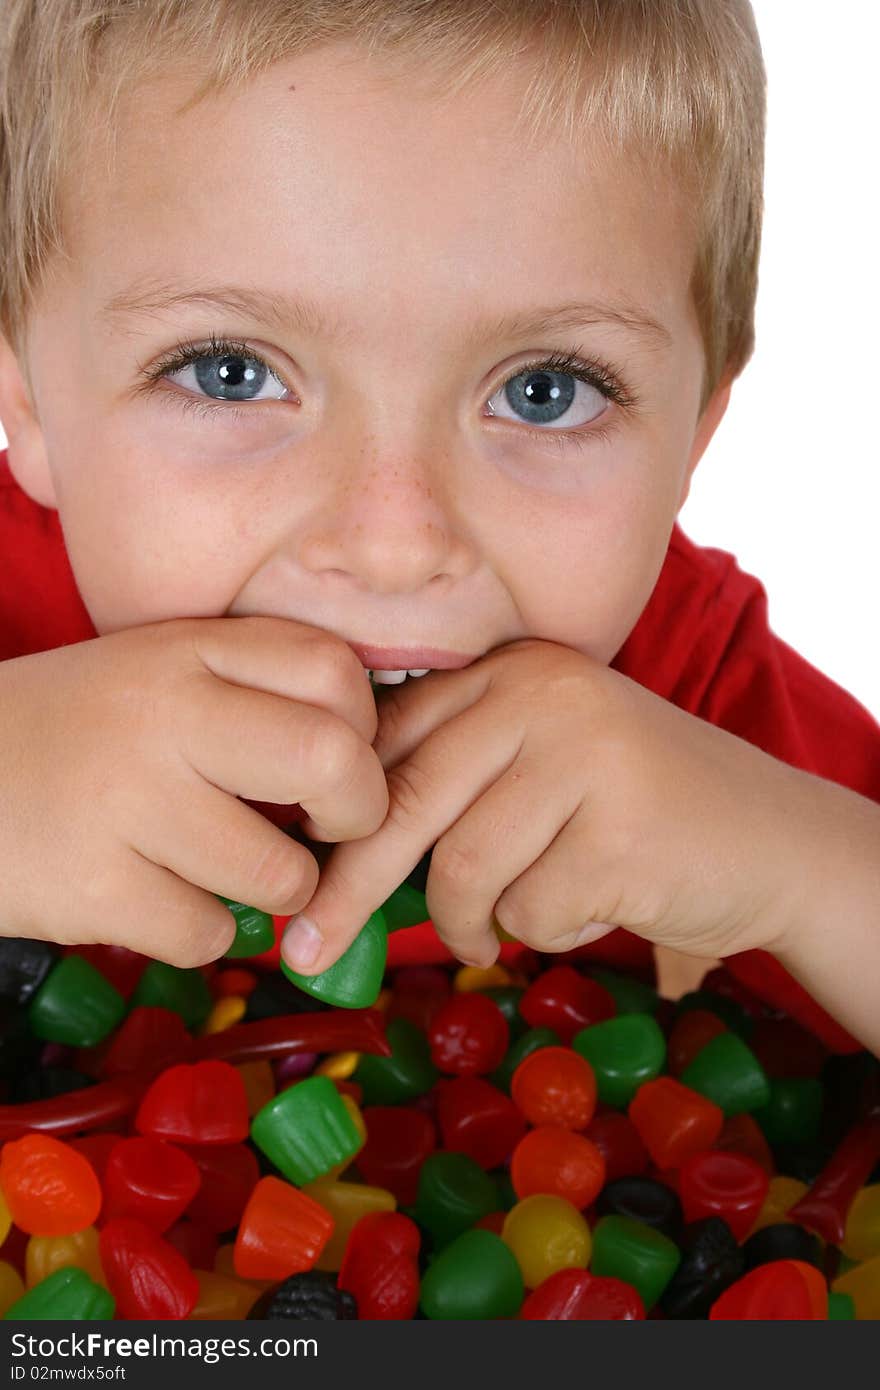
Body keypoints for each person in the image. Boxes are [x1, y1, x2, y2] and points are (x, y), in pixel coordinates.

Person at [0, 1, 877, 1053]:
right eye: (230, 375)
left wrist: (801, 869)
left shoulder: (685, 684)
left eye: (547, 391)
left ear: (692, 434)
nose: (394, 546)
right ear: (28, 395)